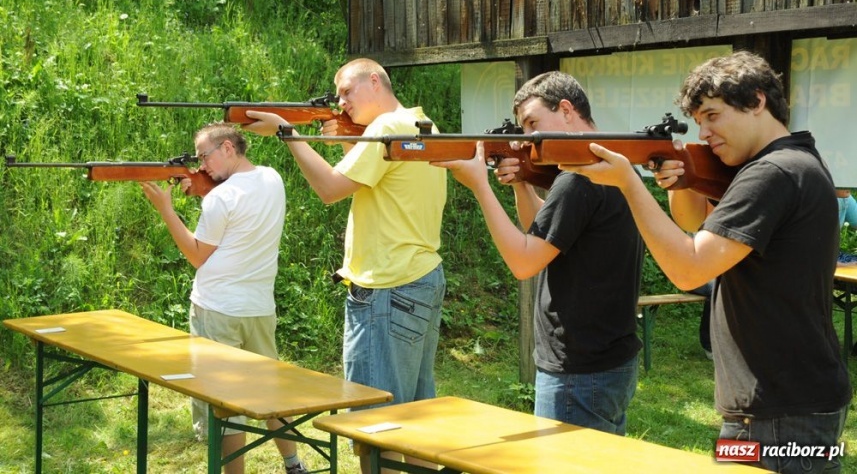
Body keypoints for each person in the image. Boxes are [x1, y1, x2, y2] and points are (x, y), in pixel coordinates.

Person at [562, 51, 851, 473]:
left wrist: (629, 183)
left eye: (713, 115)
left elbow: (689, 267)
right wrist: (684, 180)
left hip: (774, 414)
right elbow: (698, 224)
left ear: (757, 101)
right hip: (792, 401)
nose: (705, 131)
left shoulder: (770, 174)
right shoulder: (797, 160)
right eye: (698, 120)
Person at [242, 58, 447, 473]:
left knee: (376, 425)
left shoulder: (386, 129)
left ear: (375, 81)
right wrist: (348, 142)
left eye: (347, 92)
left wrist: (288, 133)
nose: (341, 102)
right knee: (415, 419)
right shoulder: (422, 124)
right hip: (420, 278)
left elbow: (331, 188)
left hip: (387, 287)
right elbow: (379, 183)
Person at [433, 71, 643, 435]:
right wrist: (522, 182)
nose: (528, 137)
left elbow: (524, 261)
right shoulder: (613, 161)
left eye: (532, 123)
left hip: (578, 368)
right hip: (608, 359)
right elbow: (548, 235)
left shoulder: (578, 178)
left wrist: (480, 186)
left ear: (565, 110)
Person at [140, 123, 307, 474]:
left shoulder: (220, 197)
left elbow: (197, 255)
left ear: (228, 148)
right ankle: (293, 464)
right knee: (271, 393)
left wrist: (166, 210)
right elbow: (237, 219)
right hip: (259, 309)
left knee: (224, 406)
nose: (201, 165)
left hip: (216, 309)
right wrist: (204, 191)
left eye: (205, 156)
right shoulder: (272, 178)